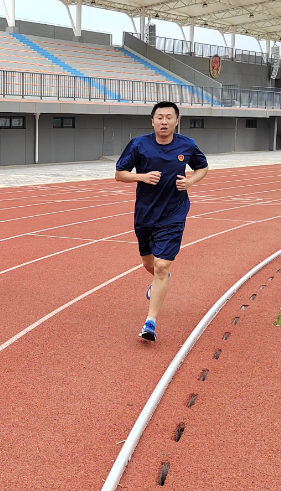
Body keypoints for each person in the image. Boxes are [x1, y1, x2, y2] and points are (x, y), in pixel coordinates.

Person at [114, 101, 209, 342]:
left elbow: (203, 167)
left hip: (174, 213)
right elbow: (119, 174)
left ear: (177, 121)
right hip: (145, 214)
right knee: (149, 264)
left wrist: (189, 182)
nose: (164, 121)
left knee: (162, 265)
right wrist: (142, 177)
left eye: (169, 117)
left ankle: (150, 323)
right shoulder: (139, 144)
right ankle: (160, 280)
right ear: (152, 121)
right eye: (160, 117)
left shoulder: (187, 145)